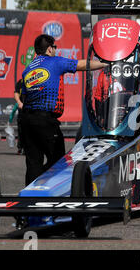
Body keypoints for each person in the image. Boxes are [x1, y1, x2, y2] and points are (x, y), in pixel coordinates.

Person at [21, 34, 107, 186]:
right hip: (46, 120)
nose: (55, 50)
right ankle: (48, 186)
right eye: (54, 47)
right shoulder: (54, 61)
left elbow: (25, 99)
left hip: (27, 121)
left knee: (33, 162)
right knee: (59, 160)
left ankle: (30, 198)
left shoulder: (28, 69)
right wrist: (106, 63)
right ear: (49, 49)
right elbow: (82, 65)